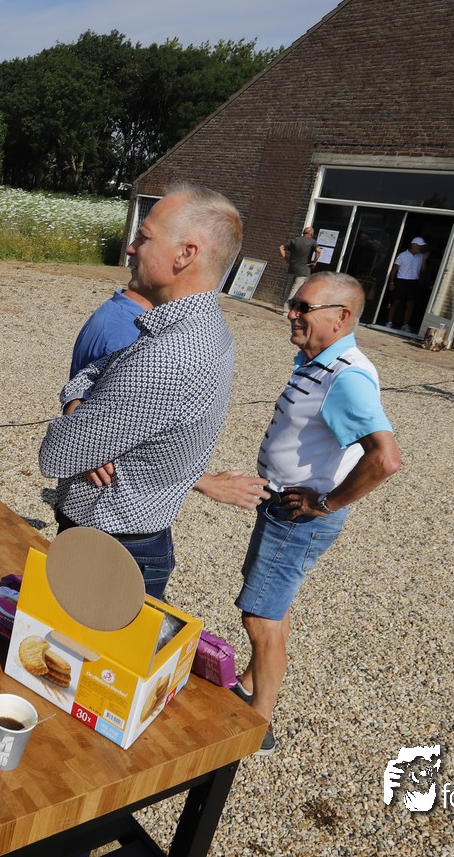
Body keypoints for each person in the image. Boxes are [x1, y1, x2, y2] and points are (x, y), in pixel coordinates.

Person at [38, 184, 243, 601]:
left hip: (106, 551)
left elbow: (57, 454)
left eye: (144, 237)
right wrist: (81, 405)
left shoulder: (167, 355)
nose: (131, 248)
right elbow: (94, 371)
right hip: (129, 540)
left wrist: (82, 425)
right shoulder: (196, 327)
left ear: (185, 254)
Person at [233, 272, 401, 754]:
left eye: (303, 307)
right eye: (294, 303)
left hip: (296, 518)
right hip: (282, 508)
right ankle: (249, 684)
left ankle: (257, 725)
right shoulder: (319, 362)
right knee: (273, 605)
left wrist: (323, 504)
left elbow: (385, 459)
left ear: (341, 317)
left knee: (259, 617)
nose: (291, 313)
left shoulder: (346, 377)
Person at [69, 284, 271, 511]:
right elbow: (114, 441)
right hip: (107, 505)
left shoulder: (118, 312)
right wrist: (207, 483)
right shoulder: (132, 334)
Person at [384, 236, 430, 331]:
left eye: (422, 246)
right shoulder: (402, 255)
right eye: (419, 246)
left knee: (410, 304)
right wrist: (391, 282)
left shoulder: (421, 256)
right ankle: (389, 322)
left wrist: (425, 259)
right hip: (401, 281)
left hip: (413, 282)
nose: (421, 248)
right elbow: (394, 269)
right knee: (396, 302)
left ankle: (405, 325)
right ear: (413, 245)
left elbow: (423, 270)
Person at [278, 224, 319, 301]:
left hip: (292, 268)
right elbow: (318, 251)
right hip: (303, 270)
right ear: (311, 234)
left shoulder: (295, 240)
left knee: (288, 288)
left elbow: (281, 247)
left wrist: (285, 258)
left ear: (303, 233)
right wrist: (315, 262)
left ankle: (284, 304)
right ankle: (287, 307)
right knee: (295, 289)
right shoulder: (312, 242)